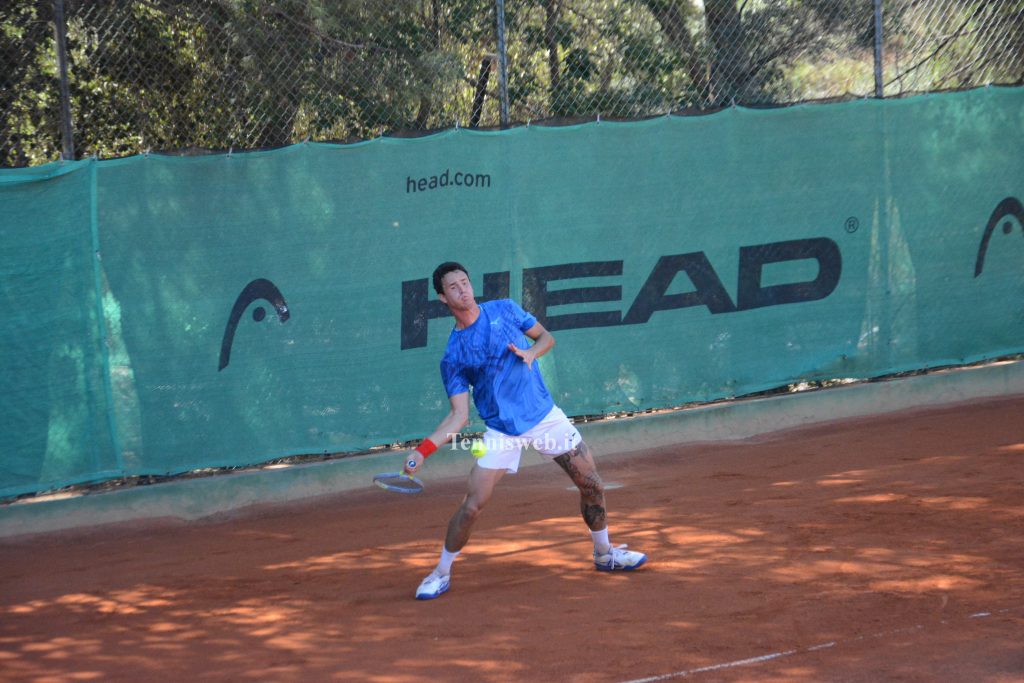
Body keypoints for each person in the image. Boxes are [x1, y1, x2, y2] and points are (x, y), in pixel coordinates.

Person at [403, 262, 648, 600]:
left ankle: (605, 554)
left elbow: (546, 337)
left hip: (545, 416)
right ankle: (441, 572)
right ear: (443, 299)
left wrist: (532, 353)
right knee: (473, 504)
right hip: (503, 430)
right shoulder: (453, 355)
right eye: (454, 287)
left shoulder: (504, 309)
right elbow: (458, 416)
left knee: (591, 484)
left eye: (465, 282)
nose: (463, 290)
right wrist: (423, 451)